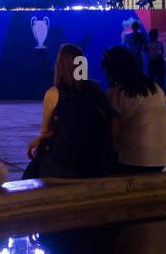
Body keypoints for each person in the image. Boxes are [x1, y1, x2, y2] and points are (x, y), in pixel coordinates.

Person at [23, 44, 118, 179]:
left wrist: (43, 138)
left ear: (60, 67)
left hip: (68, 166)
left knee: (34, 167)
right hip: (101, 163)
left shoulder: (54, 94)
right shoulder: (95, 89)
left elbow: (46, 132)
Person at [102, 45, 166, 172]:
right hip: (160, 161)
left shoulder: (116, 94)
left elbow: (112, 133)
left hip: (130, 161)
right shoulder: (155, 88)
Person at [146, 27, 166, 93]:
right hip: (159, 62)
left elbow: (146, 52)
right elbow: (162, 53)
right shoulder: (160, 43)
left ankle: (152, 94)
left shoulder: (147, 44)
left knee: (151, 79)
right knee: (160, 80)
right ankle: (160, 93)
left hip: (152, 62)